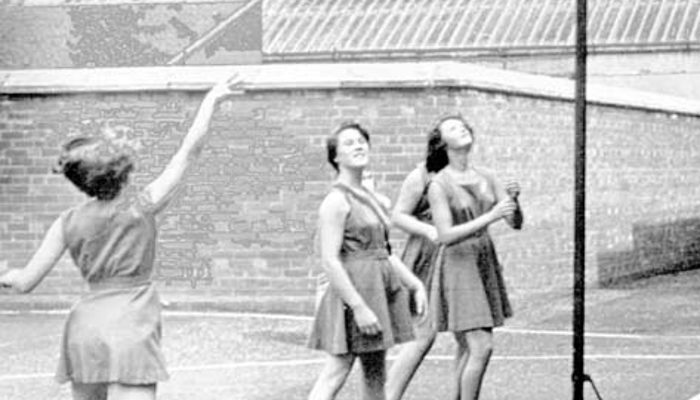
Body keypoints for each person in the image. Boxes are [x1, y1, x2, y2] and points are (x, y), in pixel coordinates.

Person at [0, 74, 243, 400]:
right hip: (131, 324)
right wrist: (211, 100)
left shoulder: (66, 222)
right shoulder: (141, 205)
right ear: (119, 170)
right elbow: (188, 151)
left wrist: (4, 275)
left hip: (84, 328)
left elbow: (25, 282)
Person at [307, 122, 428, 400]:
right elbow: (330, 261)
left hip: (378, 287)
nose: (359, 145)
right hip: (352, 292)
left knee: (375, 372)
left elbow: (383, 252)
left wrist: (415, 284)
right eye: (349, 143)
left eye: (362, 140)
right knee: (338, 368)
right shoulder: (335, 202)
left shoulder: (373, 198)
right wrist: (359, 308)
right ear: (335, 157)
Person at [426, 115, 522, 400]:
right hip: (458, 264)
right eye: (454, 128)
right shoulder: (438, 184)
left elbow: (515, 223)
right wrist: (489, 216)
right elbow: (444, 235)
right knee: (481, 345)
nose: (463, 128)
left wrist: (515, 202)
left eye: (464, 125)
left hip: (482, 260)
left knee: (468, 347)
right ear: (442, 144)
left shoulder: (487, 176)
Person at [385, 155, 445, 400]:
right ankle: (389, 396)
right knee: (423, 332)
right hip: (428, 254)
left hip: (459, 254)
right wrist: (428, 229)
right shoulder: (420, 176)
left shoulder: (467, 175)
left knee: (472, 335)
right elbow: (398, 215)